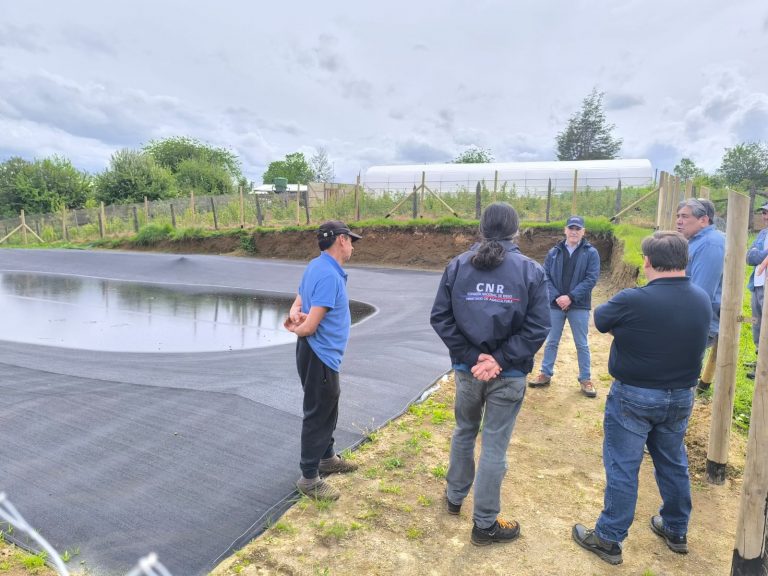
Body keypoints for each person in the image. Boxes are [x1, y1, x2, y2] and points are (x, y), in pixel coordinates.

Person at [572, 231, 711, 565]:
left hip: (633, 396)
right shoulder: (701, 298)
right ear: (684, 261)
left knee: (623, 466)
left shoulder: (633, 299)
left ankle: (608, 538)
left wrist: (629, 331)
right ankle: (676, 528)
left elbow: (599, 320)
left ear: (647, 262)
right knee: (673, 461)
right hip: (680, 397)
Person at [430, 202, 550, 546]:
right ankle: (484, 525)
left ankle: (455, 498)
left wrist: (474, 358)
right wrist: (498, 360)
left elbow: (441, 317)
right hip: (508, 374)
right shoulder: (530, 270)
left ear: (481, 228)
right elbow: (539, 325)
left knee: (465, 430)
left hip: (469, 372)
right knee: (494, 445)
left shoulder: (458, 266)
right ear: (516, 230)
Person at [283, 220, 362, 501]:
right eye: (351, 240)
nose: (353, 245)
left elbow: (300, 298)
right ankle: (309, 478)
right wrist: (295, 325)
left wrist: (295, 311)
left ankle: (327, 457)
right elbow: (311, 326)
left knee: (329, 404)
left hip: (316, 353)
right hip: (320, 353)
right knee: (318, 412)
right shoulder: (328, 275)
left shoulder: (317, 266)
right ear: (341, 240)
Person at [529, 216, 601, 397]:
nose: (574, 231)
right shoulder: (554, 252)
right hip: (555, 305)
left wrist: (570, 297)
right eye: (571, 228)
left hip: (579, 305)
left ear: (583, 231)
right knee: (551, 341)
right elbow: (545, 276)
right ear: (565, 230)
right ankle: (545, 374)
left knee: (582, 343)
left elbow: (591, 279)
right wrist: (557, 297)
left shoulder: (591, 253)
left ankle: (585, 379)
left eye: (578, 228)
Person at [675, 197, 724, 392]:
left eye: (684, 216)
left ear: (703, 220)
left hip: (696, 321)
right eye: (678, 216)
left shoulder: (711, 244)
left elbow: (701, 293)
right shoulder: (697, 241)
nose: (678, 221)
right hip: (687, 316)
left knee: (681, 371)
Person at [745, 202, 768, 378]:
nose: (765, 216)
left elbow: (756, 254)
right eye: (764, 212)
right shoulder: (762, 233)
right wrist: (762, 254)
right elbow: (750, 257)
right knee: (757, 323)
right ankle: (759, 359)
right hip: (757, 284)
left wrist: (759, 253)